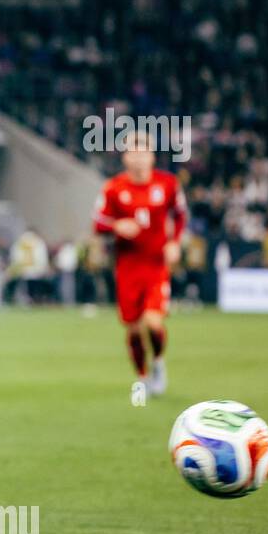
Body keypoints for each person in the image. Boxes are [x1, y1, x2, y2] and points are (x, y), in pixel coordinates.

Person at [93, 136, 187, 394]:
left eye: (142, 152)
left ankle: (158, 361)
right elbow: (98, 222)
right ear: (125, 158)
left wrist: (175, 243)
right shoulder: (113, 188)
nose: (137, 157)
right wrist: (116, 226)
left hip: (156, 265)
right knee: (134, 329)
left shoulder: (167, 184)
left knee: (153, 322)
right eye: (132, 153)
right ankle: (142, 376)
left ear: (152, 156)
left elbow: (180, 215)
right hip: (127, 268)